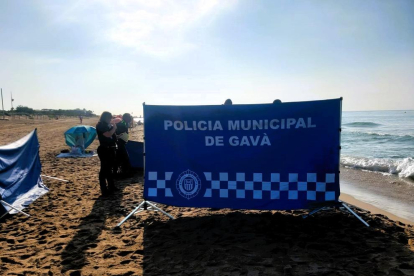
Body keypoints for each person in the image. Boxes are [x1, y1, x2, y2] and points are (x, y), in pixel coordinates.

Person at [96, 111, 118, 196]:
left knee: (110, 169)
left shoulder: (109, 125)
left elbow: (112, 136)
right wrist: (114, 128)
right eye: (110, 117)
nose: (111, 119)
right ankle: (104, 189)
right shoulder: (101, 125)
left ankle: (111, 187)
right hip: (104, 149)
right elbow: (108, 134)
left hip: (111, 149)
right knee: (104, 170)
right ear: (105, 117)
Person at [115, 113, 132, 177]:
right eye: (129, 117)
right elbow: (118, 132)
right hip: (120, 143)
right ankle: (124, 172)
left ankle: (119, 172)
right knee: (124, 158)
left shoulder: (123, 123)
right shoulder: (122, 124)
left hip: (121, 142)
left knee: (119, 158)